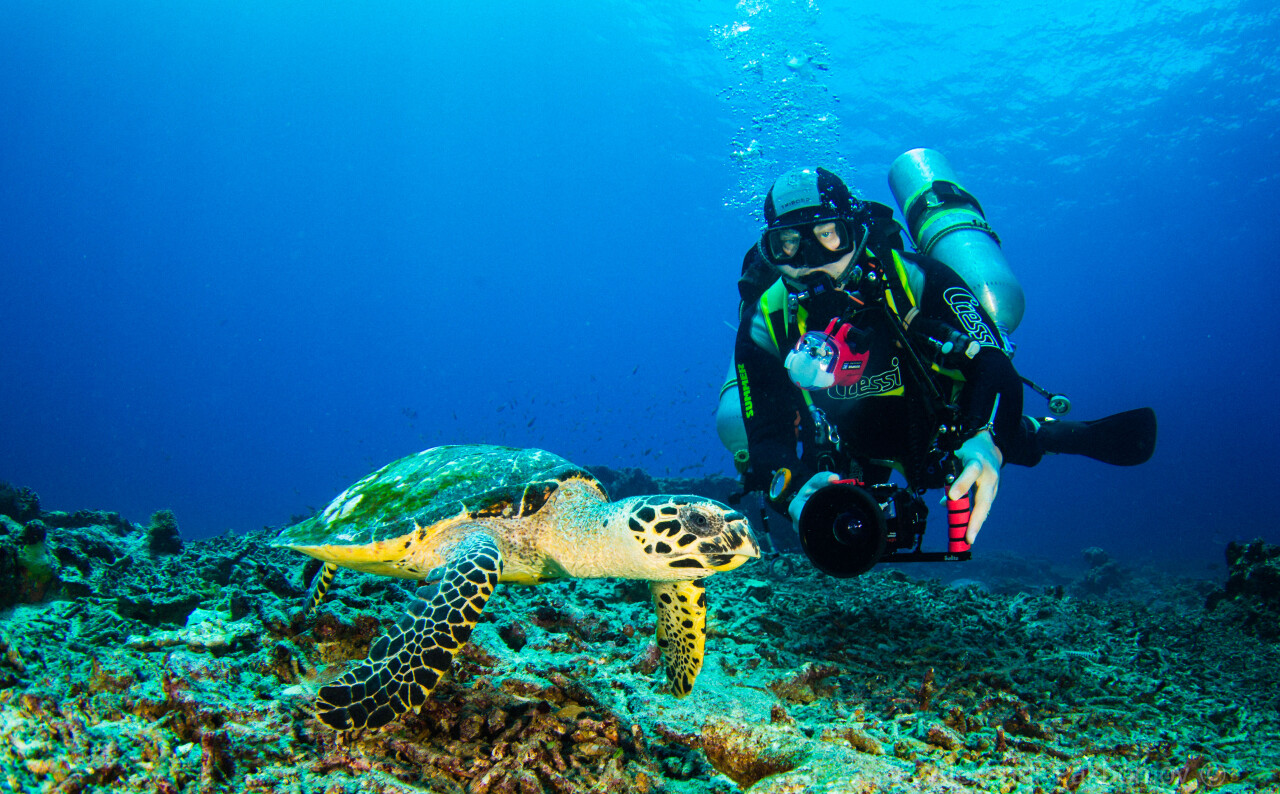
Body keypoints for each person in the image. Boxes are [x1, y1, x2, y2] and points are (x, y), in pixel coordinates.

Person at [726, 166, 1156, 547]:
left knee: (992, 443)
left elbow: (993, 364)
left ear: (854, 232)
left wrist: (987, 438)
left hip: (939, 425)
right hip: (843, 443)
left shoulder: (916, 279)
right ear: (770, 251)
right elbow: (765, 433)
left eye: (828, 236)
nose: (811, 262)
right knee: (824, 486)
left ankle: (1045, 434)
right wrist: (793, 490)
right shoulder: (767, 321)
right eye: (788, 245)